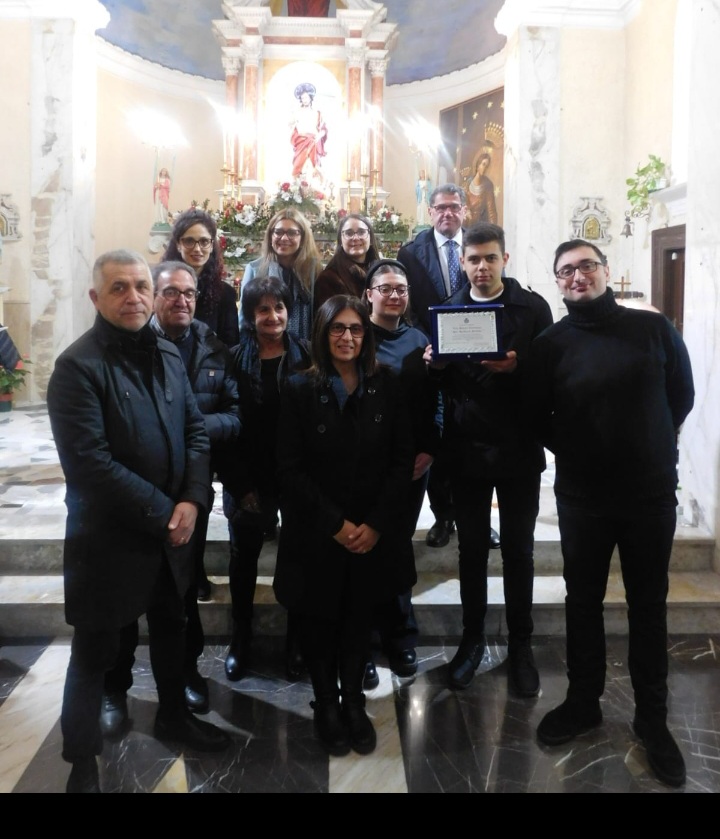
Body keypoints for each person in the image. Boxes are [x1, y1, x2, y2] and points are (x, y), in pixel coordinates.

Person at [47, 250, 230, 794]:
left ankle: (174, 714)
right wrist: (163, 511)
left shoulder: (169, 355)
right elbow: (89, 464)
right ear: (96, 298)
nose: (133, 297)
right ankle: (81, 760)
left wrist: (194, 501)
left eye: (140, 287)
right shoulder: (77, 367)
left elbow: (195, 431)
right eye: (119, 288)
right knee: (95, 651)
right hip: (109, 538)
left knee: (172, 631)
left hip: (173, 531)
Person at [527, 239, 694, 788]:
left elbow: (682, 394)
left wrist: (647, 443)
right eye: (566, 271)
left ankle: (652, 718)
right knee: (583, 602)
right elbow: (538, 415)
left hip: (648, 496)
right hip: (584, 499)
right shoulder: (551, 344)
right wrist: (579, 450)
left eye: (586, 267)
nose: (578, 277)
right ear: (558, 281)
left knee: (649, 604)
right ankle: (582, 701)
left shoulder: (652, 329)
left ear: (606, 272)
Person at [99, 261, 241, 732]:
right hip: (126, 510)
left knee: (176, 606)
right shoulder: (98, 358)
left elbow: (208, 427)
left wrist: (193, 499)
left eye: (189, 294)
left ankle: (182, 679)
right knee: (121, 608)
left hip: (184, 501)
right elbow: (96, 455)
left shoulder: (208, 349)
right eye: (168, 292)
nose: (180, 300)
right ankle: (113, 688)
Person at [273, 295, 415, 756]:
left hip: (370, 533)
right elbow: (289, 469)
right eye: (338, 329)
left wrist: (373, 524)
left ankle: (353, 702)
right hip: (318, 532)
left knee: (358, 620)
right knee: (318, 620)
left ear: (366, 334)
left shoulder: (387, 384)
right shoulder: (298, 389)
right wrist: (336, 524)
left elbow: (400, 461)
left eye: (356, 329)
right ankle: (327, 704)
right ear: (322, 333)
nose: (348, 337)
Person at [429, 222, 552, 693]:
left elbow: (551, 375)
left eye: (491, 258)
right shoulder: (449, 311)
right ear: (462, 263)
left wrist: (520, 367)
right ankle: (472, 639)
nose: (482, 267)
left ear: (505, 260)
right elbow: (438, 386)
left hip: (519, 446)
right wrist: (434, 367)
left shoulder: (532, 307)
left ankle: (521, 645)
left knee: (519, 551)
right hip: (467, 450)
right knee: (473, 550)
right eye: (474, 259)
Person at [397, 184, 501, 552]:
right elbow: (406, 306)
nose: (447, 213)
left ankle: (479, 519)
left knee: (472, 444)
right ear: (430, 212)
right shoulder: (411, 253)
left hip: (477, 362)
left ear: (463, 211)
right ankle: (443, 517)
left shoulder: (478, 249)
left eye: (454, 207)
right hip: (431, 360)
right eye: (440, 208)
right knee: (439, 443)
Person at [222, 274, 311, 683]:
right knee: (244, 561)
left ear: (288, 313)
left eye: (279, 308)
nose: (272, 316)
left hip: (295, 476)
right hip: (249, 477)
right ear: (249, 315)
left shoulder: (307, 356)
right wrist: (241, 486)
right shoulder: (233, 359)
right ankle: (241, 638)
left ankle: (297, 641)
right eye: (263, 309)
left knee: (296, 559)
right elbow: (229, 426)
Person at [362, 259, 442, 688]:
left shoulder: (420, 340)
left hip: (410, 464)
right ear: (369, 294)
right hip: (364, 462)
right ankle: (364, 640)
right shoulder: (354, 335)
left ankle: (400, 636)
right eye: (386, 288)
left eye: (401, 289)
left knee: (395, 547)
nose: (395, 295)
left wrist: (430, 448)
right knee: (364, 547)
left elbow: (436, 399)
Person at [163, 207, 240, 350]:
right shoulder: (161, 287)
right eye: (189, 241)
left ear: (211, 246)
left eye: (204, 242)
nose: (197, 249)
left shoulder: (225, 294)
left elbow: (230, 345)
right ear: (178, 245)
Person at [240, 207, 322, 341]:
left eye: (292, 233)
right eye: (278, 232)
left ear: (302, 237)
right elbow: (244, 317)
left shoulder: (315, 269)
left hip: (306, 348)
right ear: (270, 236)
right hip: (263, 348)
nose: (284, 238)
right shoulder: (255, 269)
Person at [313, 212, 381, 310]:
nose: (356, 238)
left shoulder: (380, 271)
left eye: (361, 232)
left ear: (370, 239)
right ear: (340, 241)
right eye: (349, 233)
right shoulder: (328, 279)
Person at [290, 82, 328, 179]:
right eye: (302, 98)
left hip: (313, 141)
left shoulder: (317, 113)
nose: (305, 100)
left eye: (306, 97)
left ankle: (314, 186)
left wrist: (319, 135)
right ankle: (296, 186)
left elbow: (323, 128)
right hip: (301, 141)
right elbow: (291, 127)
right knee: (298, 164)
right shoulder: (296, 113)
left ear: (310, 98)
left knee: (314, 165)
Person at [465, 152, 498, 226]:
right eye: (483, 164)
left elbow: (491, 211)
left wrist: (494, 230)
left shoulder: (488, 185)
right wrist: (466, 210)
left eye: (487, 166)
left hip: (481, 225)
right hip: (467, 224)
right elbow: (463, 201)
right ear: (478, 165)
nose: (485, 168)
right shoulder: (468, 182)